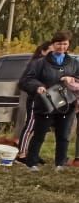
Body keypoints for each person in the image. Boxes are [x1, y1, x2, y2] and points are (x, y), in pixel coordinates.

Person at [17, 32, 79, 172]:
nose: (61, 47)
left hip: (66, 104)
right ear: (53, 44)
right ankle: (31, 163)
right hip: (46, 103)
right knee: (39, 134)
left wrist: (72, 79)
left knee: (63, 135)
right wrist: (37, 86)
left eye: (65, 43)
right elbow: (26, 80)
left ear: (68, 44)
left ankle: (60, 163)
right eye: (58, 43)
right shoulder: (40, 63)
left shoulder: (74, 63)